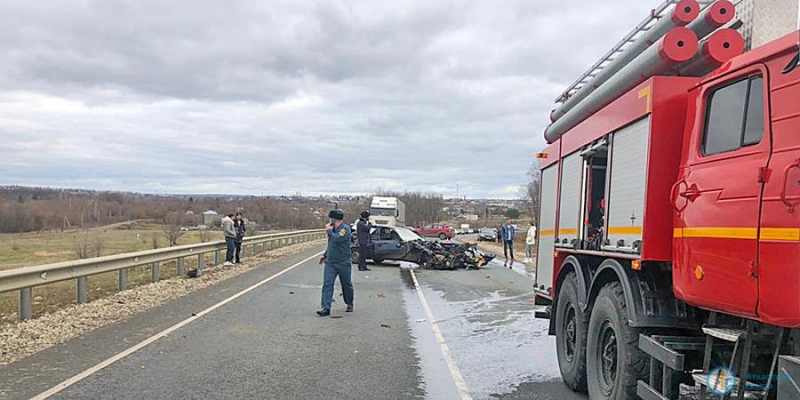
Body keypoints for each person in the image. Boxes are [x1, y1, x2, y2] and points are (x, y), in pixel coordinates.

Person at [317, 209, 354, 317]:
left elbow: (337, 239)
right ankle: (326, 307)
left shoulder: (345, 229)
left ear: (334, 219)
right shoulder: (333, 229)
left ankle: (349, 302)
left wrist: (328, 231)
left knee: (346, 284)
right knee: (327, 284)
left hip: (343, 262)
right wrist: (325, 255)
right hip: (331, 263)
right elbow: (331, 244)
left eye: (331, 219)